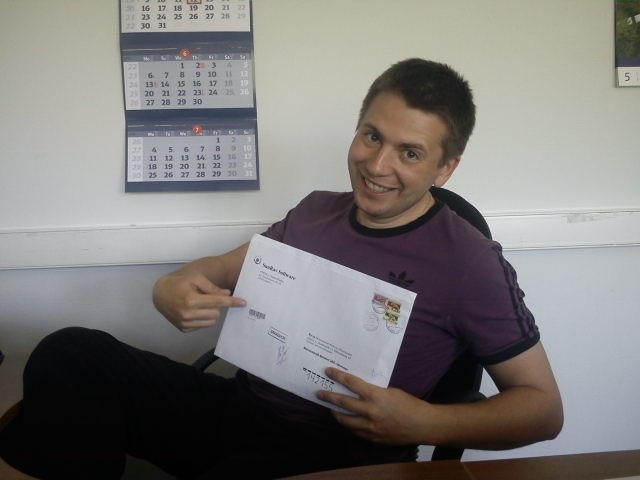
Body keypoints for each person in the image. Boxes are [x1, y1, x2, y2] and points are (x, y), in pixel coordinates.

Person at [0, 58, 563, 480]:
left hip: (341, 452)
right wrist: (174, 284)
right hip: (239, 410)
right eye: (371, 136)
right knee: (70, 353)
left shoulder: (470, 262)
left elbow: (542, 410)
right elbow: (223, 267)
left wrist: (425, 423)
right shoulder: (315, 211)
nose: (377, 164)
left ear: (445, 168)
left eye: (409, 152)